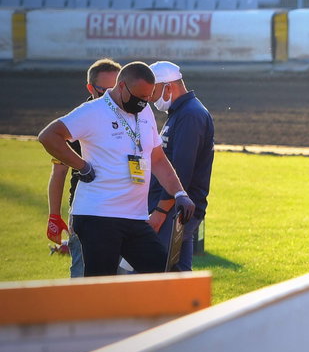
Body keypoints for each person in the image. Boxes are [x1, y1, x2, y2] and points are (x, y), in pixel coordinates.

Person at [37, 62, 196, 276]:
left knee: (166, 274)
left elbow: (157, 159)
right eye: (139, 97)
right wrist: (82, 166)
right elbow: (48, 136)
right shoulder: (92, 111)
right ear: (122, 86)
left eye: (148, 97)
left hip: (135, 217)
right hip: (98, 216)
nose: (143, 103)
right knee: (101, 286)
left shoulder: (145, 110)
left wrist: (179, 193)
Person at [45, 58, 120, 277]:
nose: (110, 97)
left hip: (124, 212)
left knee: (120, 280)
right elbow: (59, 172)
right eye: (103, 91)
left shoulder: (133, 115)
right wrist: (54, 216)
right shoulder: (79, 120)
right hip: (87, 212)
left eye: (115, 90)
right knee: (84, 276)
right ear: (90, 88)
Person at [146, 61, 214, 271]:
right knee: (178, 276)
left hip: (174, 212)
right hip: (174, 210)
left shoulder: (190, 115)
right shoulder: (180, 112)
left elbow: (181, 172)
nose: (150, 97)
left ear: (168, 86)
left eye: (153, 91)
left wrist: (160, 211)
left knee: (156, 273)